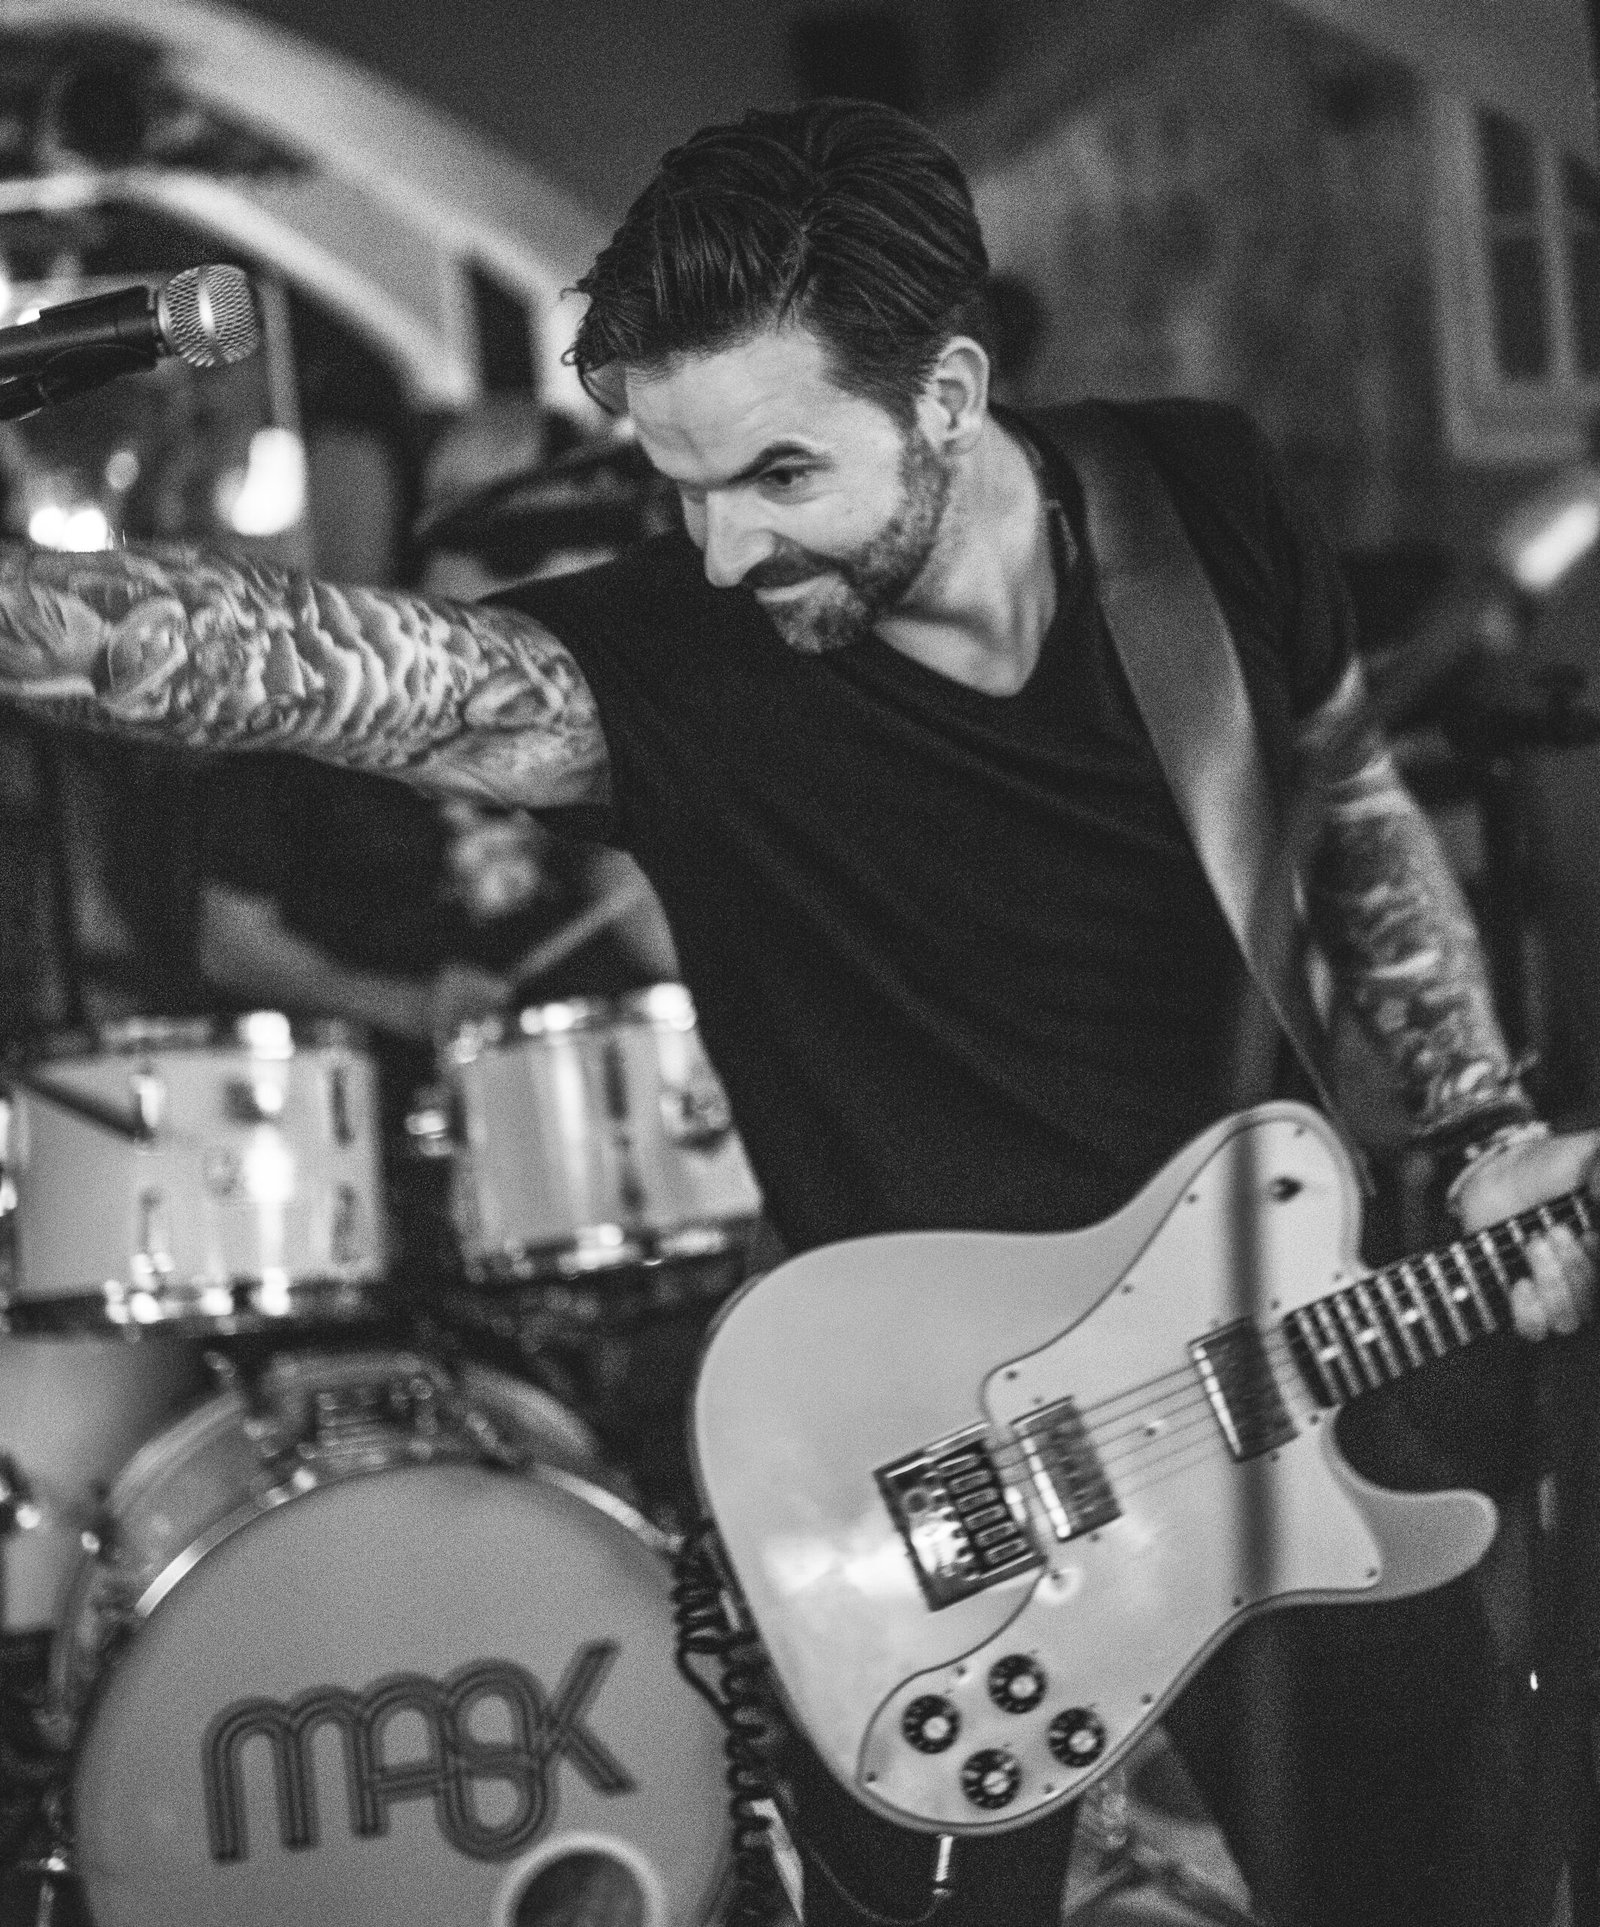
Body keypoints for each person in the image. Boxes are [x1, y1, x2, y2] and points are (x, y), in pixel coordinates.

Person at [0, 98, 1594, 1927]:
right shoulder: (684, 658)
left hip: (1295, 1381)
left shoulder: (1200, 500)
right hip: (913, 1482)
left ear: (949, 394)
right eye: (680, 487)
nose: (723, 551)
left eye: (777, 475)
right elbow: (289, 665)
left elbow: (1351, 798)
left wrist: (1478, 1120)